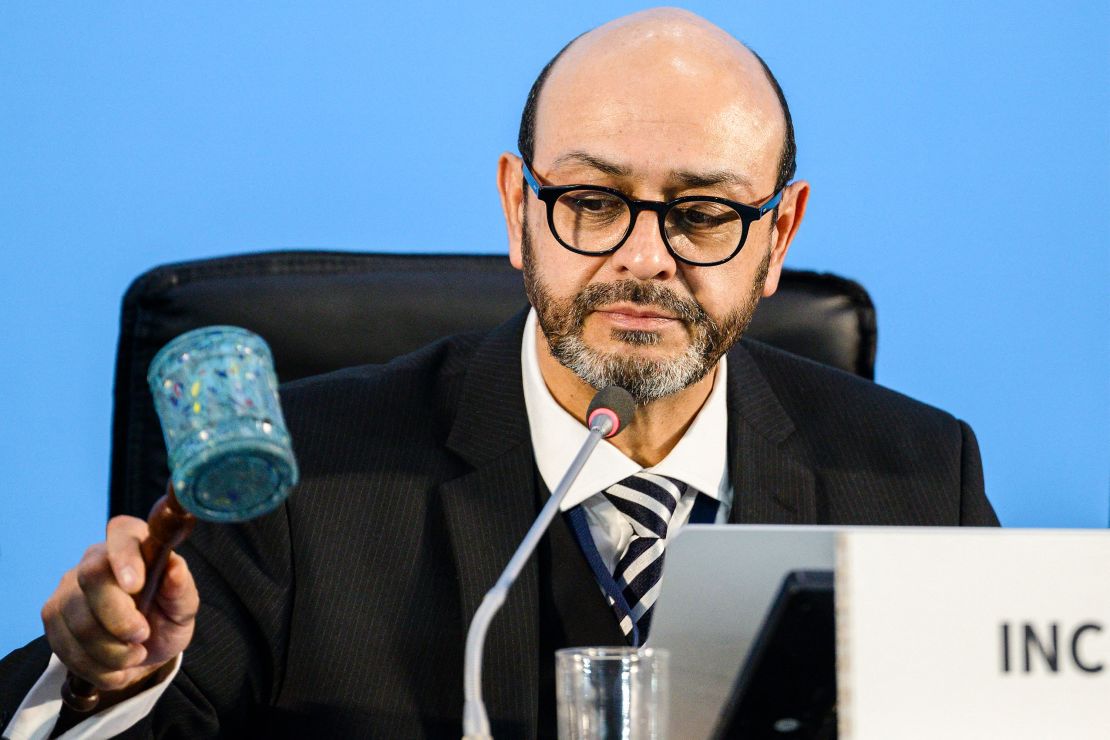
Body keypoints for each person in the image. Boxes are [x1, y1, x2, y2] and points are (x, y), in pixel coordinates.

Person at [1, 7, 998, 739]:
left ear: (779, 235)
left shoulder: (916, 479)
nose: (644, 259)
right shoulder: (303, 482)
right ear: (516, 206)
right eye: (593, 201)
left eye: (702, 215)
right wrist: (101, 685)